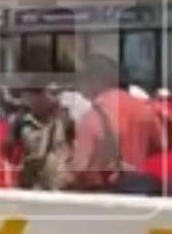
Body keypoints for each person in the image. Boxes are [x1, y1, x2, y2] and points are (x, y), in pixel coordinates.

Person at [71, 55, 165, 193]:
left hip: (107, 197)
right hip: (141, 193)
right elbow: (162, 151)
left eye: (82, 81)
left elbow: (80, 167)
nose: (80, 88)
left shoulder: (92, 117)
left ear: (96, 80)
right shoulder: (145, 109)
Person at [6, 84, 73, 190]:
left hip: (57, 183)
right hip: (31, 184)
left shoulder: (63, 117)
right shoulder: (21, 120)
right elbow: (8, 149)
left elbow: (73, 146)